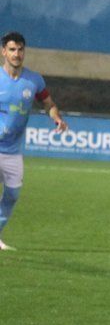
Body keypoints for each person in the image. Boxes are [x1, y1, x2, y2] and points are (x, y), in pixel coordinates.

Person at [0, 31, 68, 251]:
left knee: (13, 194)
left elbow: (48, 103)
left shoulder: (34, 80)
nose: (16, 54)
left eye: (20, 49)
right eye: (12, 49)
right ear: (3, 52)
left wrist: (56, 116)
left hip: (12, 151)